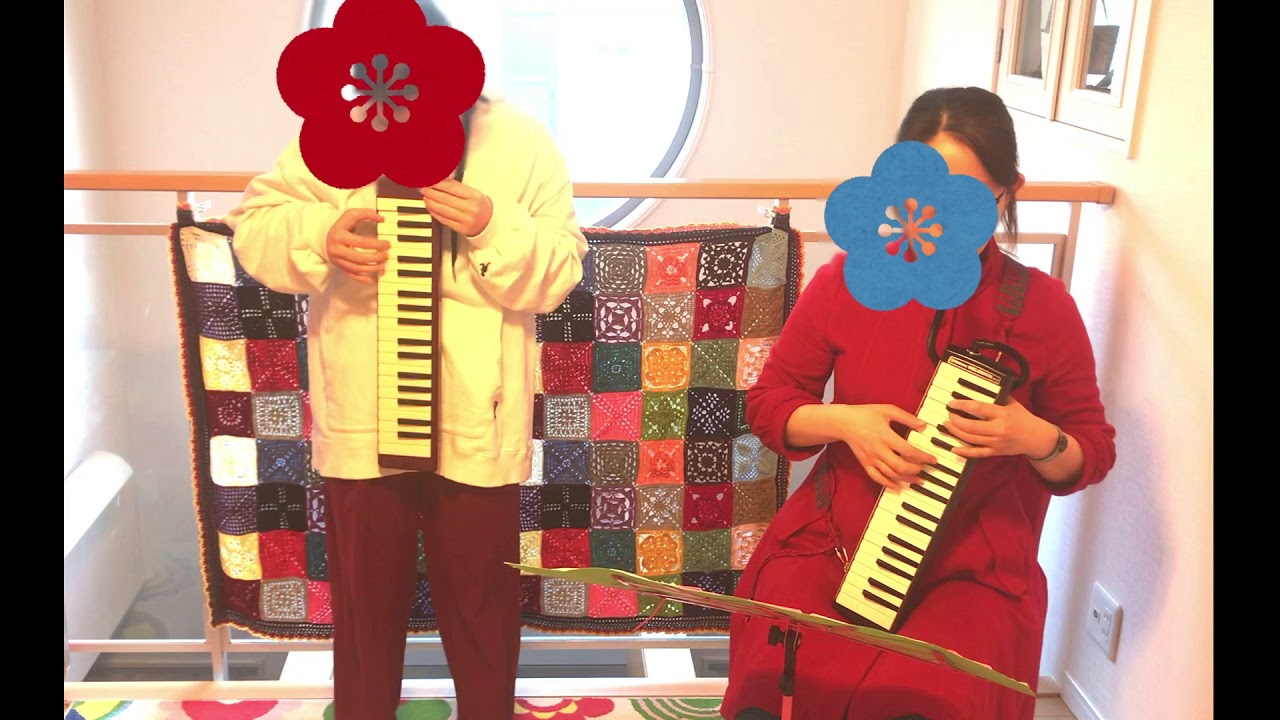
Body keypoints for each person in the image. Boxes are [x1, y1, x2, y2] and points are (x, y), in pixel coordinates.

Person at [225, 3, 588, 717]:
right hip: (363, 419)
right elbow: (255, 227)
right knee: (364, 613)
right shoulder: (331, 130)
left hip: (477, 422)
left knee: (484, 608)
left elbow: (562, 268)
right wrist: (320, 234)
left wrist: (492, 225)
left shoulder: (518, 139)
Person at [720, 86, 1117, 720]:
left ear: (1008, 192)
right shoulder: (845, 281)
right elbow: (769, 405)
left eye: (967, 203)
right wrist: (846, 424)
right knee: (772, 682)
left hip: (975, 567)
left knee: (929, 698)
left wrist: (1033, 436)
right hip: (832, 539)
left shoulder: (1043, 307)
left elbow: (1090, 452)